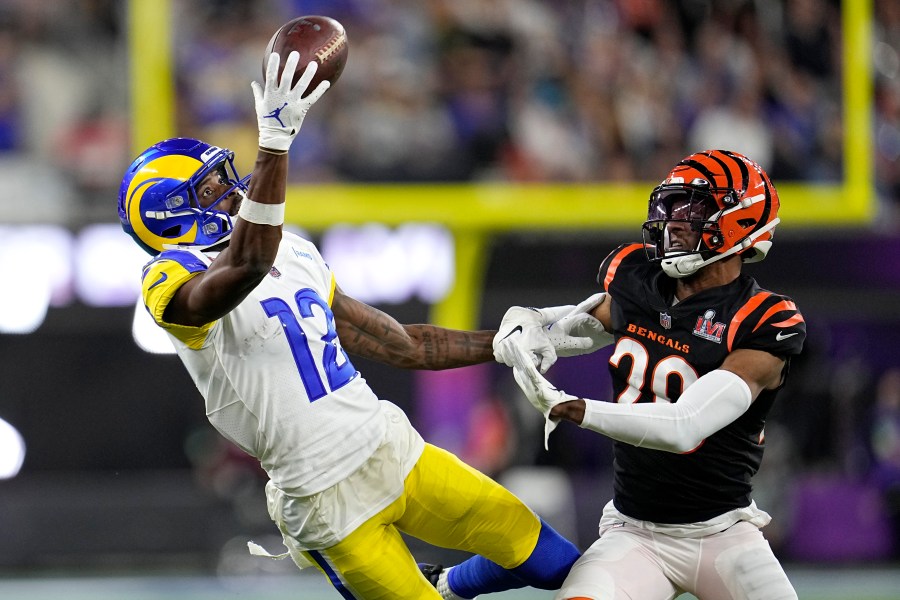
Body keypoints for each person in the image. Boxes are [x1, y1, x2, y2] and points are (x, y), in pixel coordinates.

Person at [117, 52, 580, 599]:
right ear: (166, 215)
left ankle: (452, 585)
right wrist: (276, 145)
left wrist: (503, 346)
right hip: (323, 500)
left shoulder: (290, 249)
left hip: (393, 448)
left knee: (556, 562)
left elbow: (404, 344)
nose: (232, 189)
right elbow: (245, 265)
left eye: (225, 176)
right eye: (211, 189)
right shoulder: (168, 278)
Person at [493, 149, 805, 600]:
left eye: (693, 210)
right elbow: (571, 328)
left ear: (739, 223)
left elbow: (685, 426)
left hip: (724, 535)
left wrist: (571, 408)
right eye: (671, 207)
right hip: (634, 533)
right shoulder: (639, 279)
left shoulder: (762, 317)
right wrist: (526, 321)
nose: (674, 222)